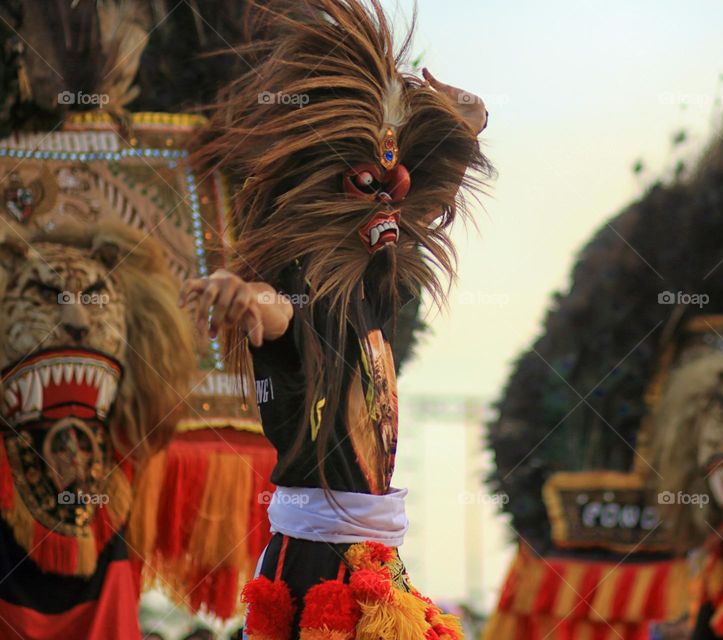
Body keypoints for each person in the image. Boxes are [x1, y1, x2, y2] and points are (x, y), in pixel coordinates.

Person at [179, 1, 490, 638]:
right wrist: (241, 295)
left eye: (395, 186)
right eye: (365, 183)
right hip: (317, 566)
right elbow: (275, 315)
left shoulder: (373, 292)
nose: (386, 201)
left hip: (369, 557)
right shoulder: (297, 292)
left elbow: (426, 208)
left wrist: (469, 125)